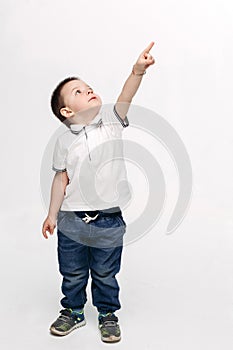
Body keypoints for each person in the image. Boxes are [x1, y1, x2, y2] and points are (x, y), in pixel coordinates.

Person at [42, 42, 155, 343]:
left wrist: (137, 71)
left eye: (89, 87)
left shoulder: (111, 124)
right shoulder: (64, 141)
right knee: (73, 272)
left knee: (105, 273)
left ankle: (107, 313)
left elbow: (125, 96)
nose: (89, 90)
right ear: (67, 111)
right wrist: (52, 214)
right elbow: (60, 180)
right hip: (71, 221)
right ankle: (73, 311)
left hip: (108, 219)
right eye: (78, 91)